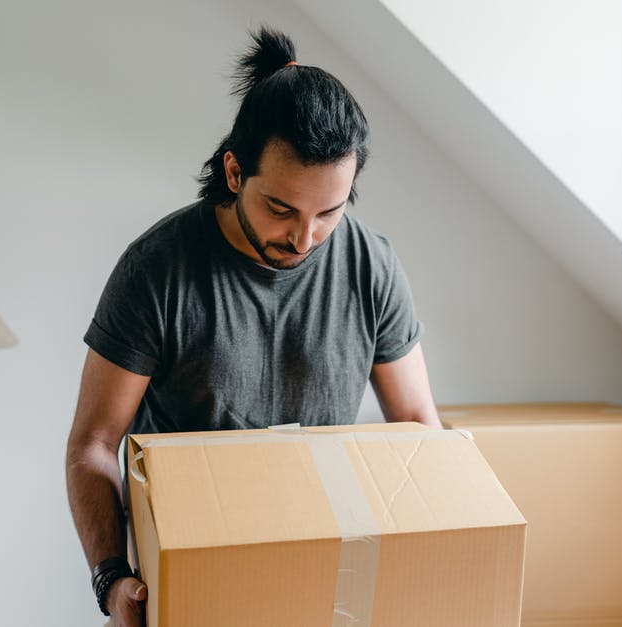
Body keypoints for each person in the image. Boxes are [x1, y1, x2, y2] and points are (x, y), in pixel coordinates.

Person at [65, 26, 440, 626]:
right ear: (236, 172)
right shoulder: (157, 269)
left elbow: (420, 430)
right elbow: (92, 446)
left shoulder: (372, 265)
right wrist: (111, 580)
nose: (304, 238)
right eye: (282, 209)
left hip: (322, 570)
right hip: (189, 574)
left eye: (330, 213)